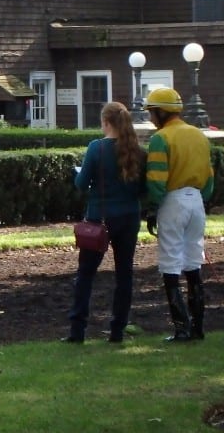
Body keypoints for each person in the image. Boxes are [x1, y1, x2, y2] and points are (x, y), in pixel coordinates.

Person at [64, 101, 146, 344]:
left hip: (99, 217)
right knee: (124, 274)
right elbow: (143, 189)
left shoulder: (96, 148)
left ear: (106, 123)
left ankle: (77, 331)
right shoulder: (139, 152)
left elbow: (81, 184)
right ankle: (117, 331)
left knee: (86, 274)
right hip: (129, 216)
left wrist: (76, 174)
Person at [144, 87, 214, 342]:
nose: (151, 118)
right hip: (196, 199)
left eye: (152, 112)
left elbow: (156, 180)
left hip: (173, 201)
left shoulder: (161, 138)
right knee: (194, 262)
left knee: (170, 263)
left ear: (161, 112)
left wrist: (152, 207)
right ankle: (198, 327)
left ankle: (181, 328)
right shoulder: (199, 135)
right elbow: (209, 177)